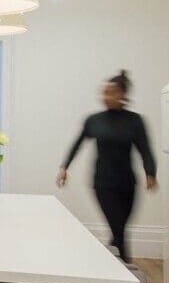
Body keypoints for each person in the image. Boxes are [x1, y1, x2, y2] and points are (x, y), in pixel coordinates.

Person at [56, 70, 157, 261]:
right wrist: (64, 167)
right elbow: (77, 143)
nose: (105, 97)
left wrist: (150, 173)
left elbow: (145, 149)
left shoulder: (134, 121)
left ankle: (108, 265)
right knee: (119, 230)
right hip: (103, 184)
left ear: (123, 95)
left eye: (111, 92)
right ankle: (127, 270)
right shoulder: (94, 120)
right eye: (104, 92)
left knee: (119, 231)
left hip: (128, 185)